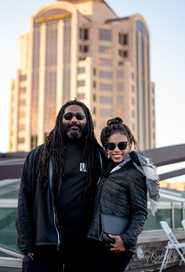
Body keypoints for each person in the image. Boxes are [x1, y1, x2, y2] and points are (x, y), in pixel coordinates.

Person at [16, 100, 107, 272]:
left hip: (84, 243)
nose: (74, 120)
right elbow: (24, 200)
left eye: (80, 116)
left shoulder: (98, 156)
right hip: (45, 242)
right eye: (68, 116)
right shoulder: (39, 156)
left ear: (88, 121)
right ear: (60, 120)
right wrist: (25, 242)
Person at [87, 117, 159, 272]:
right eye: (111, 145)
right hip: (100, 241)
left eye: (122, 145)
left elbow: (140, 213)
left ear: (130, 146)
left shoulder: (134, 174)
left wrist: (125, 240)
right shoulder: (106, 170)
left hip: (119, 245)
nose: (116, 150)